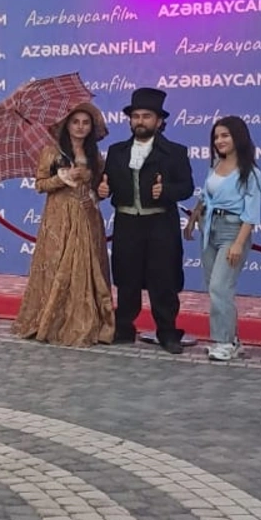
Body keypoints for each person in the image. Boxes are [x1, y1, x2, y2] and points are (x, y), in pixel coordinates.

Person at [98, 86, 194, 355]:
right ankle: (124, 328)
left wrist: (166, 191)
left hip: (160, 224)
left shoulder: (175, 152)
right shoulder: (116, 151)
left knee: (163, 281)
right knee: (126, 279)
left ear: (159, 121)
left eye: (146, 116)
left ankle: (167, 332)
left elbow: (186, 187)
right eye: (136, 116)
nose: (140, 121)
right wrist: (102, 189)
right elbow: (106, 184)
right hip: (127, 223)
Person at [13, 104, 114, 348]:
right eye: (75, 122)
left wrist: (102, 191)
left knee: (87, 269)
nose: (80, 127)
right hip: (59, 218)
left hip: (88, 217)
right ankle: (51, 321)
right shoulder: (52, 152)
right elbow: (40, 185)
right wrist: (64, 177)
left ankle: (87, 322)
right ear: (66, 125)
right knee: (58, 266)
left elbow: (98, 188)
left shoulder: (95, 156)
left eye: (85, 123)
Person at [183, 116, 261, 362]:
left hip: (233, 231)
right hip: (209, 229)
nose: (219, 141)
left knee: (220, 287)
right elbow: (207, 196)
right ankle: (233, 340)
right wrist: (194, 216)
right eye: (216, 137)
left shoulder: (251, 174)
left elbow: (251, 214)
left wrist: (239, 244)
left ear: (238, 137)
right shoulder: (216, 166)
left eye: (225, 135)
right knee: (215, 287)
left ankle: (225, 342)